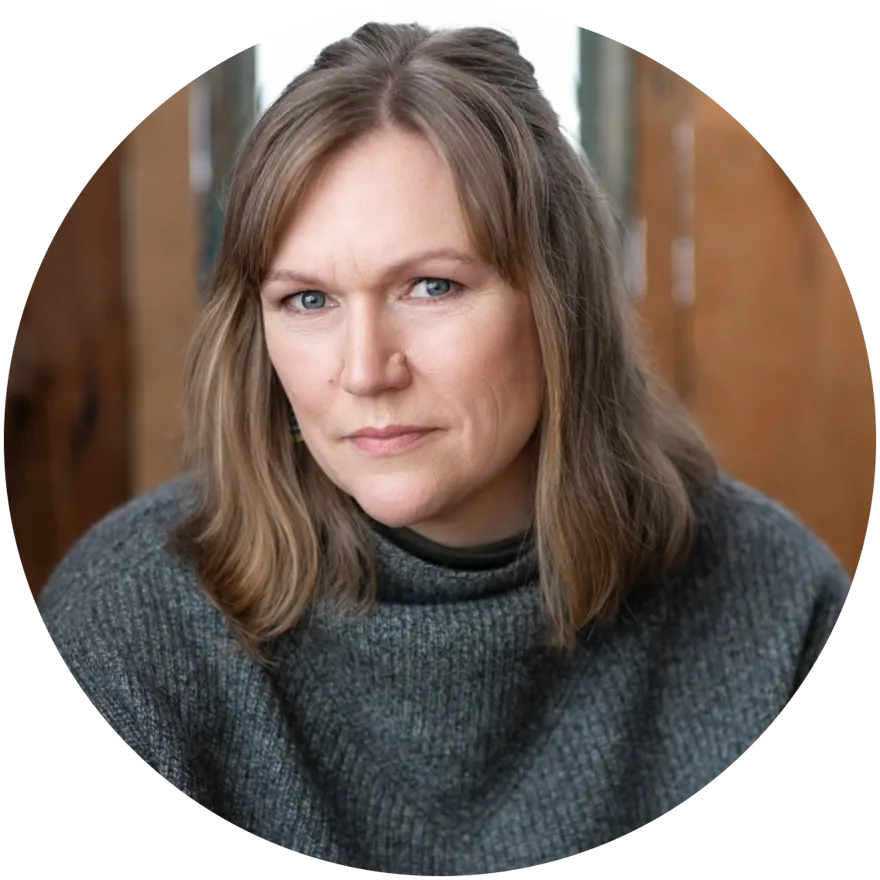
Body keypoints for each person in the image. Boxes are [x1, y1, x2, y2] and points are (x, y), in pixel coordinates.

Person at [38, 22, 848, 873]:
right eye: (308, 300)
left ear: (560, 300)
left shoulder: (776, 604)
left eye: (432, 286)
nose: (365, 371)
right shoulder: (124, 625)